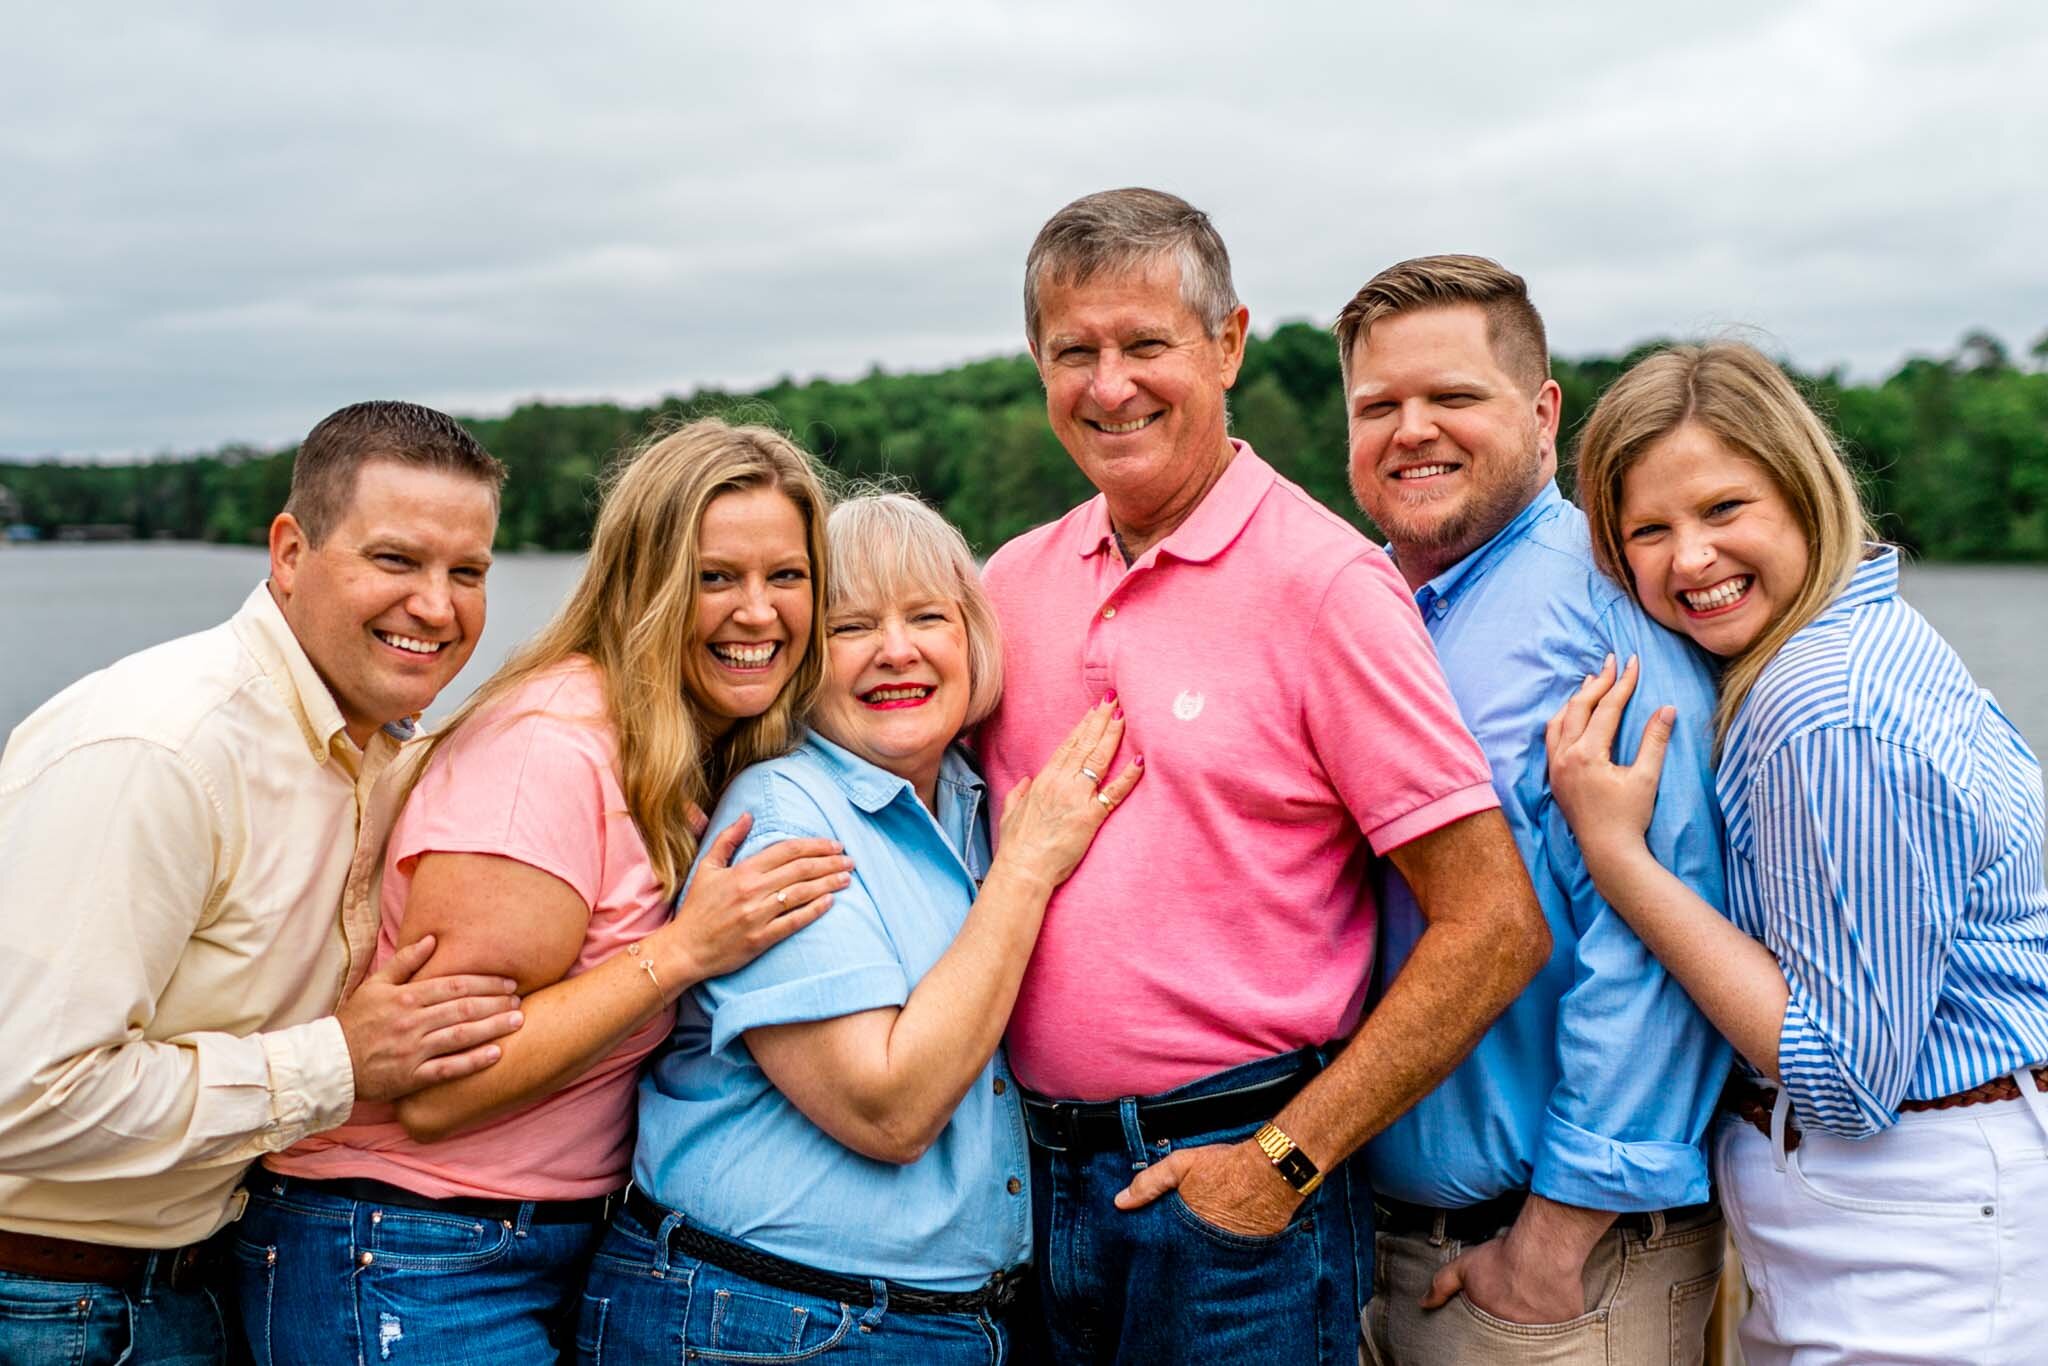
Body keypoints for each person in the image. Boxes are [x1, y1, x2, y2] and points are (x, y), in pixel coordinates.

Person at [974, 188, 1549, 1365]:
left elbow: (1493, 926)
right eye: (1072, 351)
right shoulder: (1007, 585)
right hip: (1020, 1186)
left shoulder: (1324, 584)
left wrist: (1280, 1163)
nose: (1107, 383)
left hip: (1234, 1197)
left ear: (1227, 344)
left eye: (1145, 344)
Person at [234, 417, 850, 1363]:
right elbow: (440, 1094)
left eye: (787, 577)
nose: (758, 613)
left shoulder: (683, 751)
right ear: (646, 584)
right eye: (716, 577)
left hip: (542, 1241)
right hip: (411, 1250)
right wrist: (683, 951)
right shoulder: (547, 753)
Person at [1547, 340, 2048, 1364]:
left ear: (1803, 493)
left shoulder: (1823, 708)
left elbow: (1844, 1076)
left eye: (1723, 510)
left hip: (1913, 1225)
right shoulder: (1859, 631)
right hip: (1922, 1209)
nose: (1688, 558)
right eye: (1646, 529)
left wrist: (1617, 856)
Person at [0, 401, 525, 1364]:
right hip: (48, 1304)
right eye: (397, 561)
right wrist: (337, 1065)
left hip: (194, 1282)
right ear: (289, 552)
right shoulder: (163, 751)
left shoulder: (371, 746)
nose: (440, 608)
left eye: (469, 573)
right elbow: (21, 1101)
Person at [579, 492, 1143, 1363]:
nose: (897, 650)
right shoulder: (784, 817)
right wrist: (1026, 874)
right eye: (850, 627)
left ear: (974, 638)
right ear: (803, 657)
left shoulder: (971, 799)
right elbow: (888, 1108)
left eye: (928, 616)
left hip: (937, 1322)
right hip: (772, 1317)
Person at [1335, 257, 1730, 1365]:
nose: (1411, 430)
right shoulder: (1367, 603)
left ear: (1542, 410)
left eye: (1452, 397)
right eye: (1378, 406)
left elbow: (1662, 936)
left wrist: (1554, 1242)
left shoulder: (1601, 614)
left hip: (1549, 1268)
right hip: (1366, 1246)